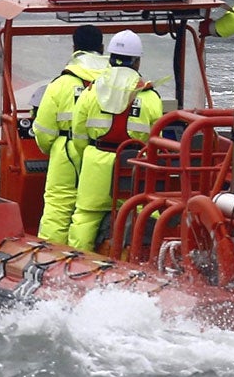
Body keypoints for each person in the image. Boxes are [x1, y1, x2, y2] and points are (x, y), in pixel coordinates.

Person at [67, 29, 164, 251]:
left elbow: (78, 134)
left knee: (85, 218)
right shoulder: (149, 97)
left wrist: (90, 155)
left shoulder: (91, 92)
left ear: (109, 58)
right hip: (135, 167)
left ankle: (77, 265)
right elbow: (155, 139)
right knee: (144, 216)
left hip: (95, 163)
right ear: (137, 62)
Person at [33, 25, 108, 244]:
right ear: (102, 48)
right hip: (103, 152)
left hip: (66, 152)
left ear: (74, 47)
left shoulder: (60, 84)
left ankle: (51, 257)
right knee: (96, 208)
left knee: (59, 206)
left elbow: (44, 131)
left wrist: (54, 148)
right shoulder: (113, 82)